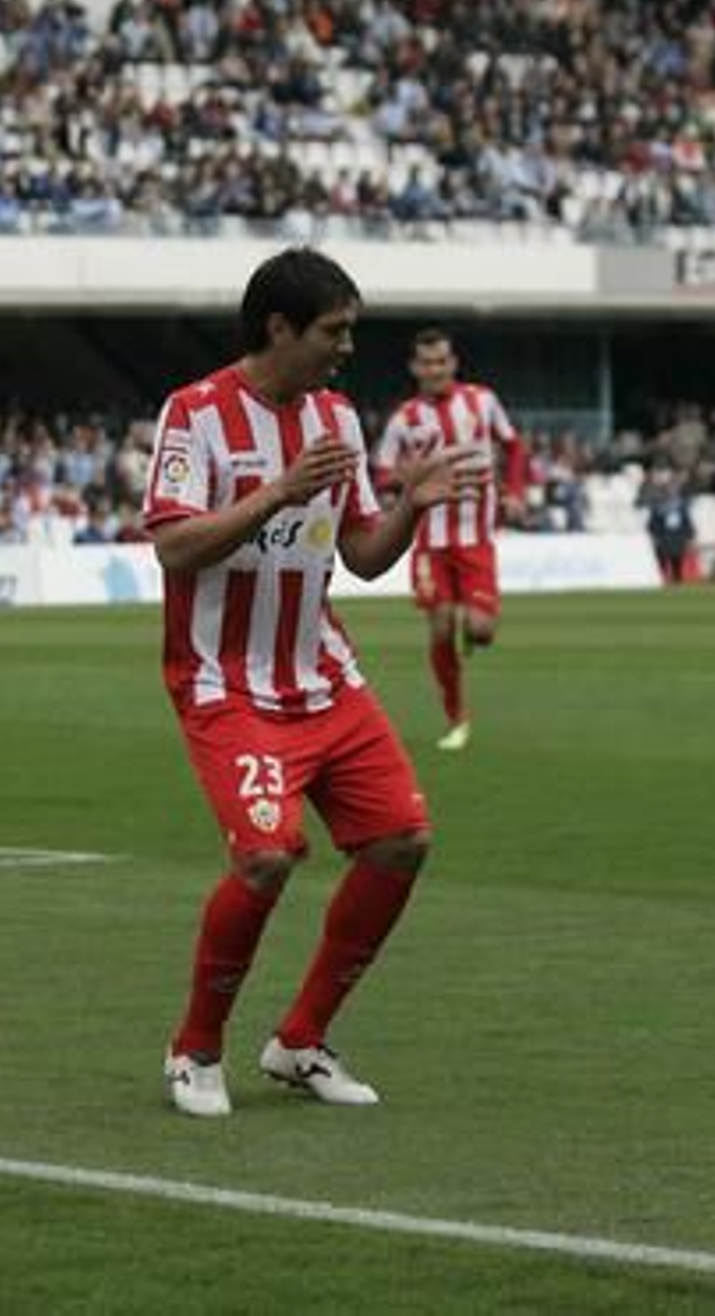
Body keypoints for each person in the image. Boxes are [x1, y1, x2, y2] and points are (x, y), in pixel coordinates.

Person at [146, 249, 481, 1119]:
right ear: (278, 327)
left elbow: (364, 555)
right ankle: (195, 1051)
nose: (346, 349)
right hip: (227, 682)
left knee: (402, 839)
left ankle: (300, 1041)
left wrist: (413, 503)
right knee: (263, 858)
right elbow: (175, 545)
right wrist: (278, 491)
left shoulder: (337, 418)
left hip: (323, 676)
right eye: (334, 331)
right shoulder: (195, 414)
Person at [374, 328, 524, 752]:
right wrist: (408, 478)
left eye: (442, 361)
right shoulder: (404, 419)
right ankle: (457, 717)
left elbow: (514, 447)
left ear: (453, 363)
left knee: (481, 631)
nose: (435, 369)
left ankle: (472, 626)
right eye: (427, 362)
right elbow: (382, 472)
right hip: (429, 539)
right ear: (414, 367)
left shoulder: (483, 401)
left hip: (475, 536)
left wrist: (514, 491)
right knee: (440, 624)